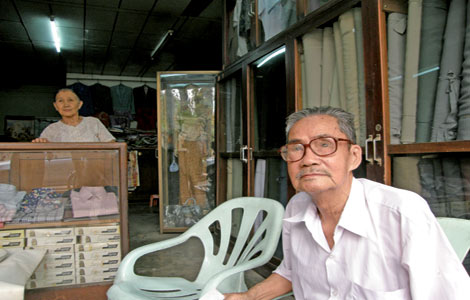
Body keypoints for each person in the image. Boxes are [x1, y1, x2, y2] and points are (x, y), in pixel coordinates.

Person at [225, 106, 470, 300]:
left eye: (324, 145)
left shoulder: (401, 212)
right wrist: (248, 296)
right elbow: (292, 272)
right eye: (296, 148)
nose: (308, 159)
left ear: (353, 157)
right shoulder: (297, 207)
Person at [32, 88, 115, 142]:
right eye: (61, 101)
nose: (66, 105)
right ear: (55, 106)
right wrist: (40, 143)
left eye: (70, 100)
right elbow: (44, 155)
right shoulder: (51, 130)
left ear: (80, 104)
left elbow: (111, 144)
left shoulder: (93, 122)